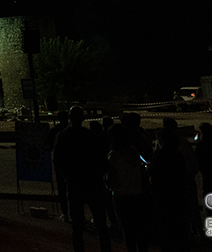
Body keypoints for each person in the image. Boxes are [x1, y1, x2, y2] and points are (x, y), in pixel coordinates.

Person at [52, 105, 111, 252]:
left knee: (77, 225)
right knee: (100, 223)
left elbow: (57, 161)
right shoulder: (90, 136)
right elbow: (103, 161)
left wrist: (67, 177)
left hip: (75, 184)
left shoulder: (63, 136)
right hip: (92, 183)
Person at [106, 123, 150, 252]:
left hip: (122, 196)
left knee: (127, 231)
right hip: (137, 194)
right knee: (140, 230)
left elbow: (111, 180)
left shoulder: (113, 155)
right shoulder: (133, 151)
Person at [48, 110, 70, 221]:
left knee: (62, 188)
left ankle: (65, 213)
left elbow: (49, 145)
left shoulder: (55, 131)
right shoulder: (80, 131)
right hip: (74, 165)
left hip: (61, 165)